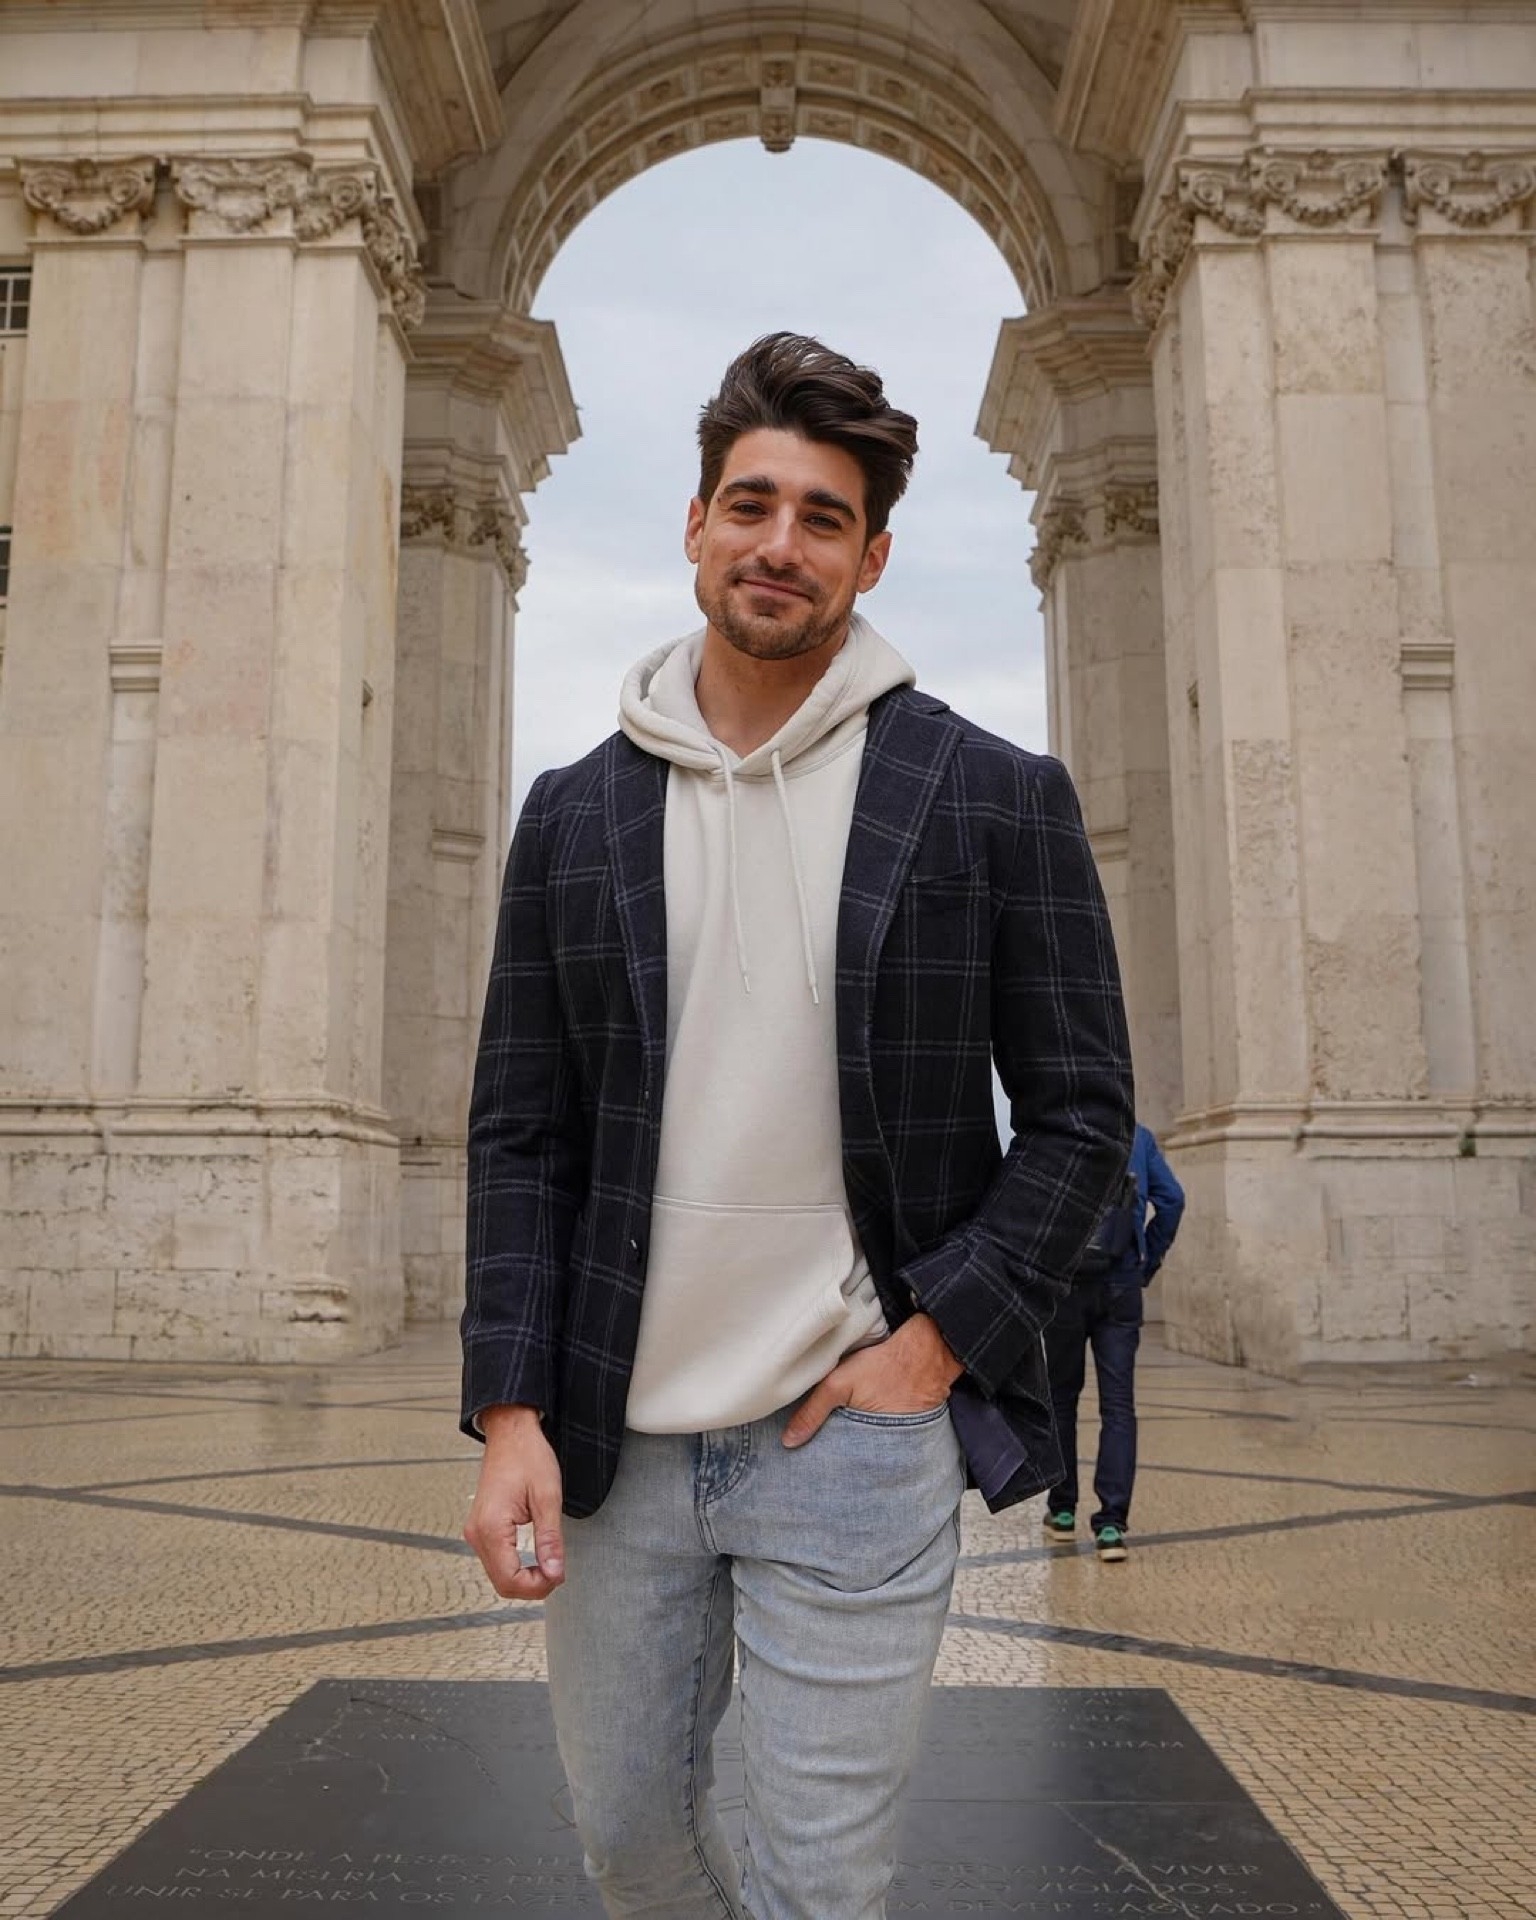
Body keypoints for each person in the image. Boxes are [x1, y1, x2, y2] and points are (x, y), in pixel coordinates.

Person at [460, 332, 1134, 1920]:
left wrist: (934, 1350)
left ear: (871, 556)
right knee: (632, 1843)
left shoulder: (992, 794)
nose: (781, 544)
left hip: (857, 1430)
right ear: (696, 524)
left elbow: (1084, 1116)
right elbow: (521, 1136)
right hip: (618, 1438)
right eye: (752, 505)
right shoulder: (570, 813)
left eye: (824, 518)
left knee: (820, 1880)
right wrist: (510, 1413)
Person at [1042, 1120, 1185, 1563]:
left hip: (1065, 1286)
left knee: (1061, 1399)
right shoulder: (1138, 1137)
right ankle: (1110, 1525)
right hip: (1121, 1283)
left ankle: (1062, 1511)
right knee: (1118, 1406)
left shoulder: (1055, 1130)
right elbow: (1173, 1201)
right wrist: (1147, 1261)